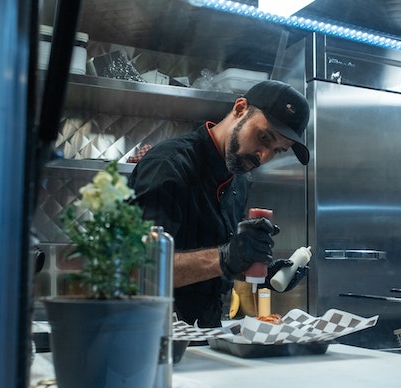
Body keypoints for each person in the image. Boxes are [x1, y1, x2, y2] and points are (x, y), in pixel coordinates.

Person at [128, 80, 311, 327]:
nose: (264, 156)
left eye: (277, 151)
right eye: (264, 137)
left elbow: (215, 267)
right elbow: (139, 269)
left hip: (206, 334)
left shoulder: (240, 181)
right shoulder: (168, 165)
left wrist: (258, 272)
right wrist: (225, 258)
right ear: (240, 109)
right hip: (154, 334)